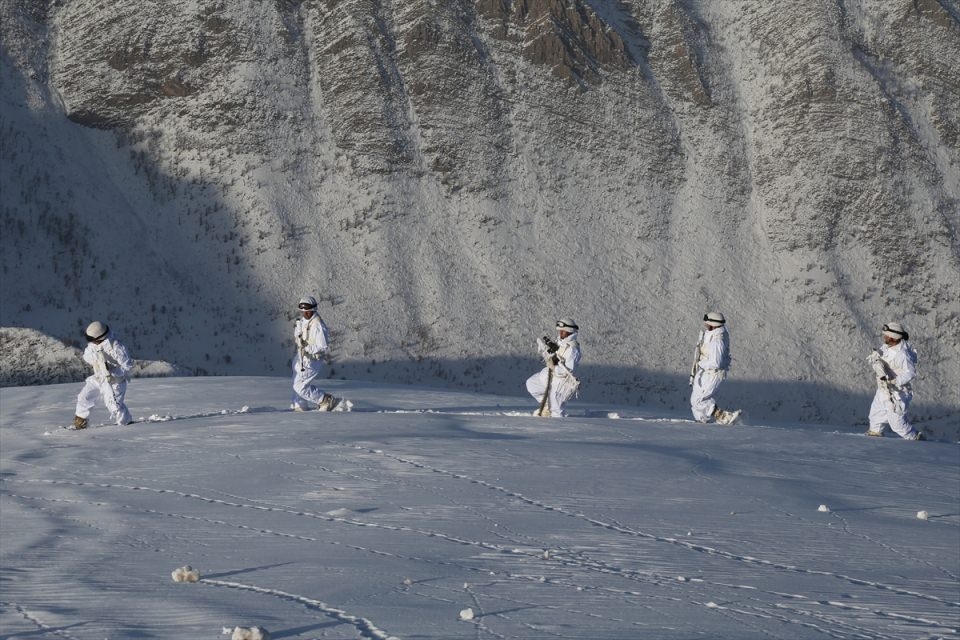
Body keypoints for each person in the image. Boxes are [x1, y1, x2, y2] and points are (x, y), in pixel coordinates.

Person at [866, 322, 923, 440]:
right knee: (875, 416)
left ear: (894, 337)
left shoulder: (902, 354)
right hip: (883, 388)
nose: (885, 336)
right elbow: (879, 359)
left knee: (897, 424)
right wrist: (876, 359)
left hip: (898, 393)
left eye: (887, 335)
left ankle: (915, 438)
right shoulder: (886, 347)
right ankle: (874, 438)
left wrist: (895, 381)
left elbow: (911, 372)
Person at [72, 321, 134, 429]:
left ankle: (126, 423)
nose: (91, 342)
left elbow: (127, 366)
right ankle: (80, 422)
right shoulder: (92, 346)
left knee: (114, 405)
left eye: (93, 340)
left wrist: (112, 373)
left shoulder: (116, 347)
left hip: (115, 381)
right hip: (99, 377)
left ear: (101, 337)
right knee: (85, 397)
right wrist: (96, 359)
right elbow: (86, 356)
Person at [689, 312, 741, 425]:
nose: (705, 325)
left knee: (699, 400)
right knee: (694, 399)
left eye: (707, 323)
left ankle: (723, 416)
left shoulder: (717, 340)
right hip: (705, 372)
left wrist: (701, 363)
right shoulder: (711, 335)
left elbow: (716, 362)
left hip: (712, 374)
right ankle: (701, 420)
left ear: (713, 324)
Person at [291, 296, 339, 411]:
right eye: (303, 311)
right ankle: (300, 405)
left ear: (313, 310)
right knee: (296, 381)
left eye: (308, 311)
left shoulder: (318, 325)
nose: (306, 313)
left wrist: (307, 347)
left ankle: (324, 399)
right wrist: (298, 336)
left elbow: (322, 346)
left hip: (312, 360)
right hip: (301, 357)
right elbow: (300, 336)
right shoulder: (303, 321)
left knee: (299, 386)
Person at [526, 318, 582, 417]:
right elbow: (555, 355)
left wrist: (553, 365)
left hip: (561, 383)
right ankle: (547, 405)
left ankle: (556, 425)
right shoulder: (560, 342)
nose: (560, 333)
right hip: (549, 375)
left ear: (569, 331)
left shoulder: (573, 350)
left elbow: (567, 370)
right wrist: (546, 352)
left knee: (556, 413)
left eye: (563, 331)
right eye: (560, 331)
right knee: (532, 384)